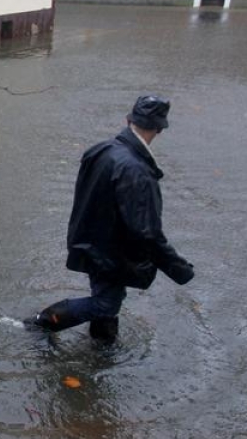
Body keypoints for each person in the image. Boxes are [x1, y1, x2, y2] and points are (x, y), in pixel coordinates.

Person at [28, 95, 195, 343]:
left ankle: (103, 344)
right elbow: (146, 233)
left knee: (107, 297)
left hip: (91, 242)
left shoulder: (101, 149)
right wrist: (179, 269)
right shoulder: (136, 171)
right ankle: (40, 324)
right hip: (111, 252)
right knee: (105, 304)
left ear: (128, 120)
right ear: (159, 130)